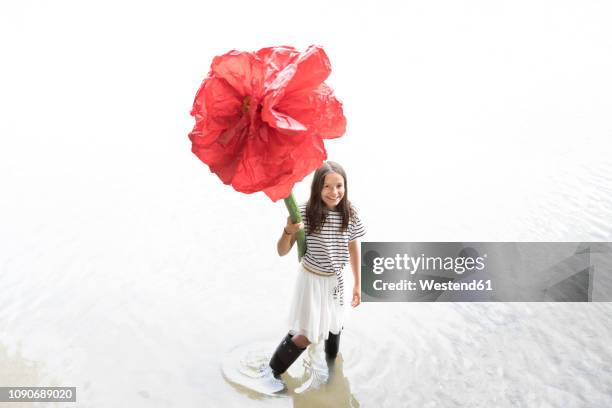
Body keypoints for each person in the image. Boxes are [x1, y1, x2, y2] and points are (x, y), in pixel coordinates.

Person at [266, 161, 366, 389]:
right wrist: (288, 231)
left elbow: (353, 247)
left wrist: (358, 283)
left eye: (339, 185)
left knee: (336, 324)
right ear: (317, 188)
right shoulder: (303, 212)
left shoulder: (349, 212)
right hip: (312, 280)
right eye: (327, 186)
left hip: (337, 280)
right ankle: (273, 371)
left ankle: (333, 373)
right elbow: (282, 251)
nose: (334, 192)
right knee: (306, 334)